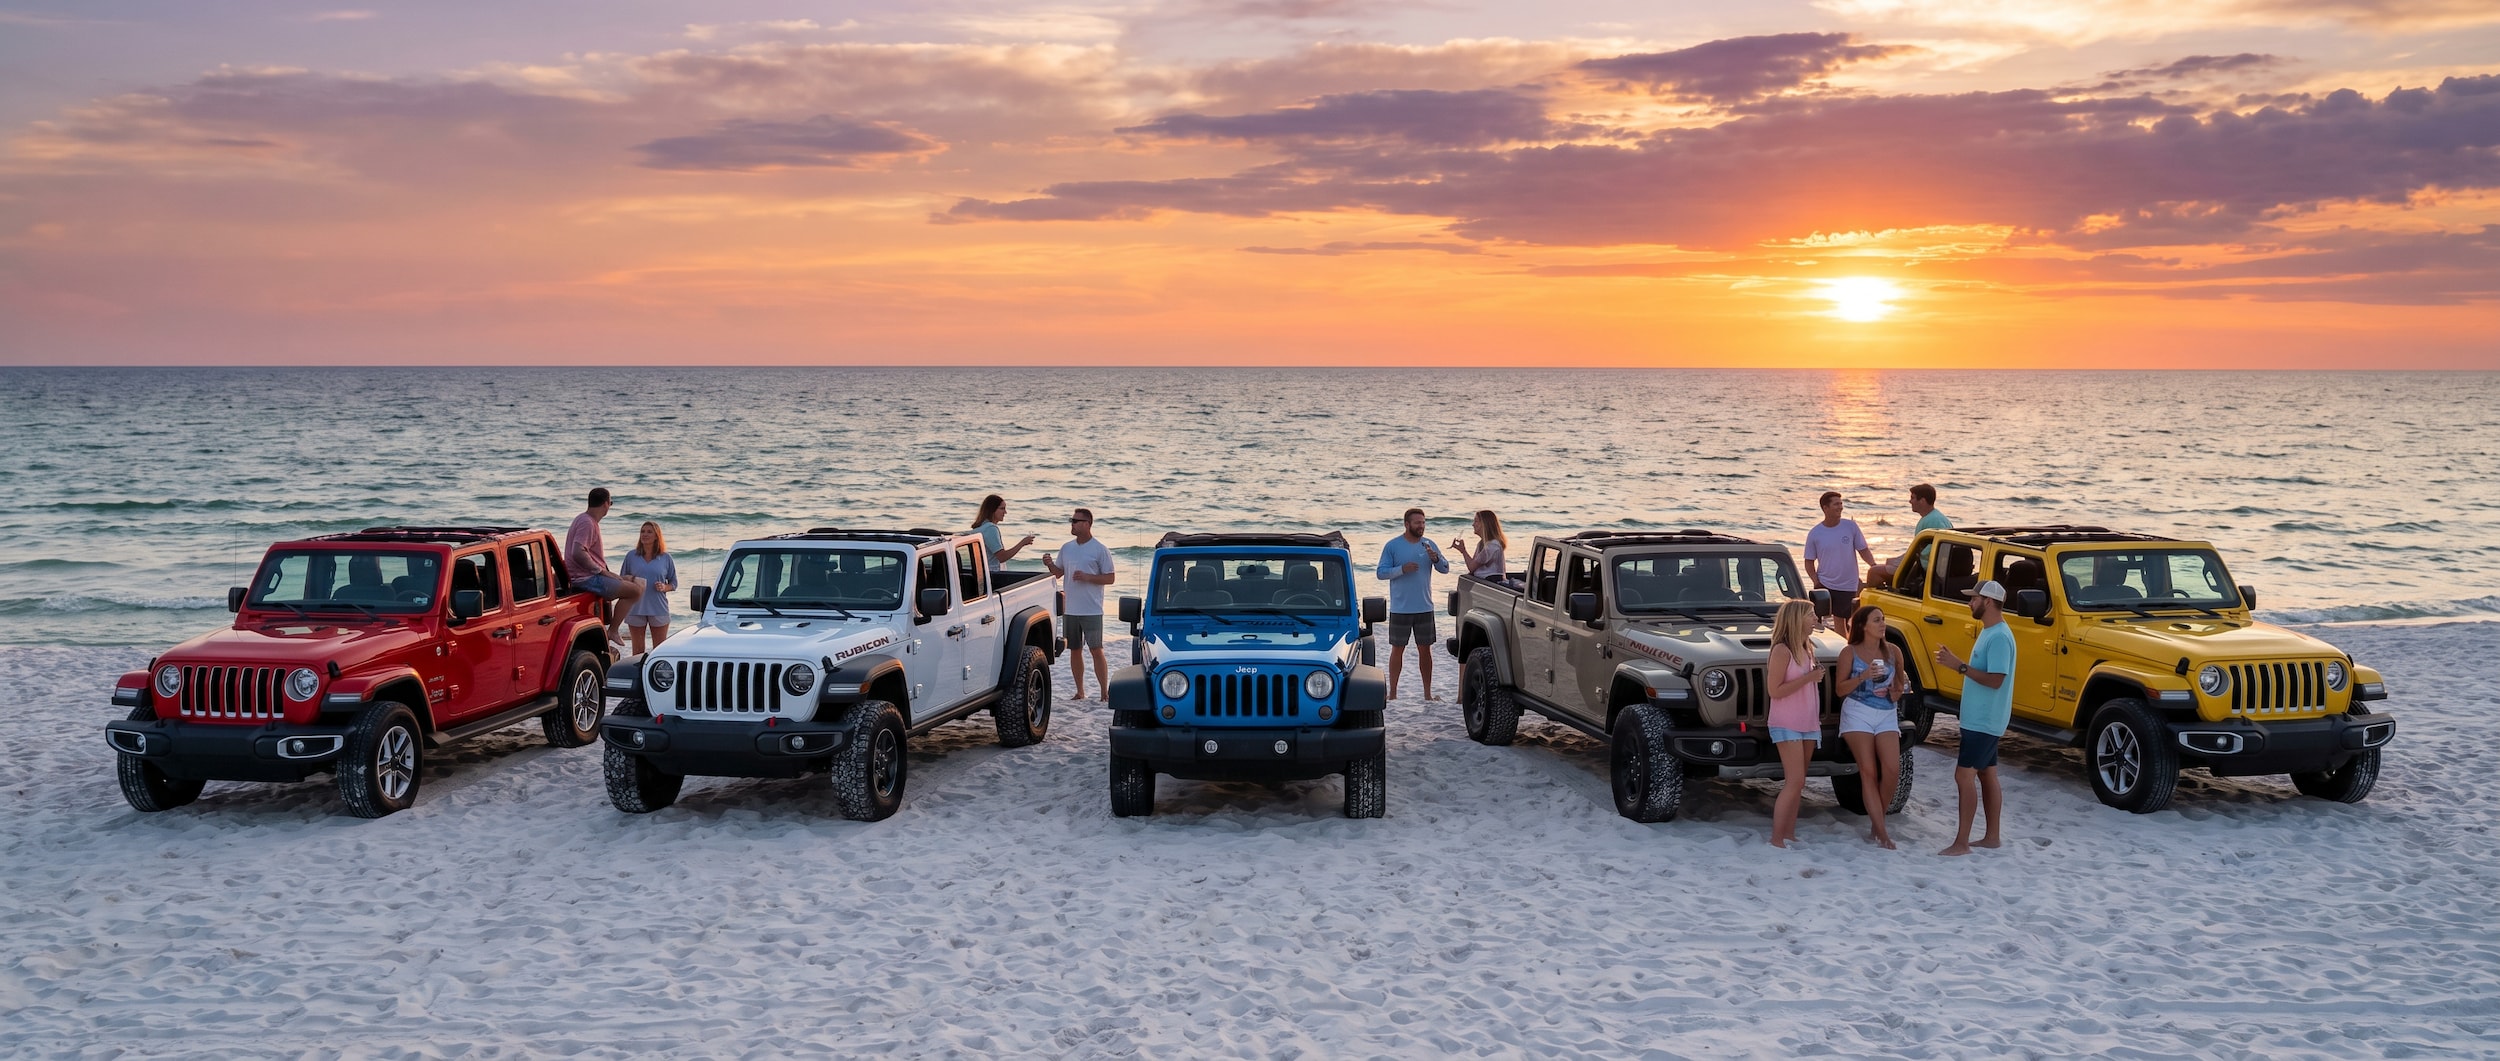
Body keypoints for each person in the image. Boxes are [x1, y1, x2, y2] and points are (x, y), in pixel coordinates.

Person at [1933, 580, 2014, 856]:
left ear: (1988, 602)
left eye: (1974, 598)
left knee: (1962, 776)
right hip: (1982, 719)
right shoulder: (1991, 631)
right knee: (1987, 773)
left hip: (1984, 720)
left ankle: (1961, 843)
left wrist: (1960, 666)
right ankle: (1992, 837)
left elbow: (1995, 680)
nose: (1970, 603)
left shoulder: (1999, 637)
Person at [1835, 604, 1906, 849]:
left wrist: (1896, 692)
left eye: (1883, 619)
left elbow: (1900, 687)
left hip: (1886, 713)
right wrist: (1863, 676)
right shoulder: (1849, 652)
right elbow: (1840, 690)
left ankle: (1877, 825)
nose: (1882, 624)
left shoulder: (1894, 651)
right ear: (1863, 625)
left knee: (1892, 770)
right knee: (1868, 772)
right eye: (1877, 620)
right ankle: (1882, 832)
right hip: (1858, 713)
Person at [1375, 507, 1449, 700]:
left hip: (1425, 607)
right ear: (1407, 524)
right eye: (1417, 523)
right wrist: (1402, 569)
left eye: (1423, 522)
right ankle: (1393, 694)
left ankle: (1427, 694)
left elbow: (1445, 569)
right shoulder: (1393, 546)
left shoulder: (1429, 545)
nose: (1421, 526)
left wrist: (1436, 558)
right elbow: (1381, 573)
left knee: (1425, 650)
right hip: (1401, 608)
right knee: (1397, 649)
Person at [1041, 508, 1115, 701]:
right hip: (1071, 609)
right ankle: (1080, 691)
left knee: (1096, 649)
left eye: (1076, 521)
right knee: (1074, 649)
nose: (1072, 524)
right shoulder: (1067, 548)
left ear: (1087, 524)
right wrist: (1049, 564)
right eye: (1071, 520)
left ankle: (1104, 692)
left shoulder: (1100, 549)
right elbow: (1058, 573)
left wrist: (1088, 577)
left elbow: (1111, 578)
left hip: (1092, 609)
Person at [1765, 598, 1822, 848]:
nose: (1816, 620)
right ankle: (1777, 838)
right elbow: (1774, 691)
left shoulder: (1808, 648)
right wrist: (1809, 677)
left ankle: (1789, 832)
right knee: (1794, 780)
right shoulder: (1782, 650)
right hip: (1786, 721)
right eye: (1811, 616)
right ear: (1797, 619)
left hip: (1808, 722)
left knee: (1800, 781)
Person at [566, 488, 643, 643]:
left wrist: (606, 572)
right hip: (585, 578)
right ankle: (613, 631)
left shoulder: (584, 519)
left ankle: (617, 627)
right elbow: (578, 552)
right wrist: (601, 571)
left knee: (638, 581)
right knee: (635, 591)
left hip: (588, 574)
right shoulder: (587, 522)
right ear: (606, 504)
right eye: (611, 503)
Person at [1802, 491, 1876, 632]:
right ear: (1825, 508)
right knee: (1817, 621)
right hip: (1824, 584)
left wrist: (1873, 566)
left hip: (1848, 584)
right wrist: (1815, 580)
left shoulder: (1850, 527)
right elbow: (1809, 561)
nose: (1840, 507)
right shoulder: (1815, 533)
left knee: (1847, 622)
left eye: (1841, 503)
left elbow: (1863, 550)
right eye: (1836, 504)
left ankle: (1847, 649)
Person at [1871, 484, 1952, 589]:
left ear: (1922, 500)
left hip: (1925, 571)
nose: (1910, 501)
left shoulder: (1931, 521)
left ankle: (1869, 604)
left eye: (1912, 498)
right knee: (1890, 563)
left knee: (1874, 572)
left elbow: (1926, 553)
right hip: (1934, 568)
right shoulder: (1937, 518)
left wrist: (1901, 562)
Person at [617, 520, 677, 656]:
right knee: (637, 652)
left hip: (658, 607)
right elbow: (621, 579)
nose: (645, 534)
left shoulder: (666, 558)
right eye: (642, 531)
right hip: (635, 607)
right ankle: (638, 676)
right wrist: (633, 580)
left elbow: (673, 583)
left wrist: (664, 587)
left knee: (659, 651)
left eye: (649, 532)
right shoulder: (631, 556)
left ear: (657, 536)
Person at [972, 494, 1038, 571]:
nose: (1005, 512)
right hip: (992, 575)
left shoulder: (981, 528)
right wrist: (1022, 543)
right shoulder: (990, 528)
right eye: (1002, 508)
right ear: (992, 510)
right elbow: (1002, 557)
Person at [1450, 509, 1509, 582]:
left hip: (1492, 583)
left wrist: (1463, 551)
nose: (1473, 524)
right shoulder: (1482, 543)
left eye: (1476, 521)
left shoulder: (1492, 546)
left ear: (1484, 524)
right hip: (1484, 582)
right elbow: (1473, 567)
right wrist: (1463, 550)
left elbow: (1472, 567)